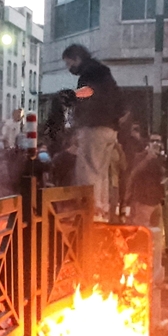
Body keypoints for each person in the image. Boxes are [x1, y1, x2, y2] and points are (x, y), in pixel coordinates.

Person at [61, 44, 122, 219]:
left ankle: (92, 214)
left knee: (88, 170)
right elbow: (119, 99)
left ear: (77, 59)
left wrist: (73, 98)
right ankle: (101, 211)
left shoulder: (89, 73)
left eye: (69, 63)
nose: (69, 68)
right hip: (110, 129)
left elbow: (88, 93)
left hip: (94, 127)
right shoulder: (105, 73)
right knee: (101, 172)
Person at [125, 134, 166, 227]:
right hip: (142, 200)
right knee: (140, 229)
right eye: (153, 141)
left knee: (156, 231)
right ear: (148, 143)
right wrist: (148, 158)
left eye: (158, 141)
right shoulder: (140, 156)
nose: (156, 143)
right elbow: (134, 173)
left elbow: (164, 176)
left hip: (157, 201)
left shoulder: (161, 159)